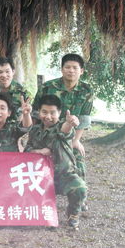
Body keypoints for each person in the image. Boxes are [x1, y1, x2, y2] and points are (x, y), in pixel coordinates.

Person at [32, 53, 93, 206]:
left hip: (69, 135)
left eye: (75, 68)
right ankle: (34, 194)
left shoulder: (86, 90)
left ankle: (79, 199)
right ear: (62, 69)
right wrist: (35, 137)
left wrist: (76, 141)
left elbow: (84, 119)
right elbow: (35, 114)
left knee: (78, 157)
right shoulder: (48, 87)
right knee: (34, 157)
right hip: (46, 133)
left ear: (81, 71)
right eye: (67, 67)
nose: (71, 71)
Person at [25, 94, 88, 227]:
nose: (48, 117)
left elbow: (65, 131)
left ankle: (73, 212)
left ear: (59, 113)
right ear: (39, 112)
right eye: (44, 112)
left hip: (62, 176)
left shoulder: (60, 127)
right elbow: (27, 150)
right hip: (39, 178)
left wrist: (70, 123)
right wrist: (37, 152)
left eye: (52, 113)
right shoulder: (35, 130)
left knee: (79, 187)